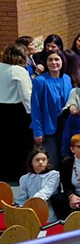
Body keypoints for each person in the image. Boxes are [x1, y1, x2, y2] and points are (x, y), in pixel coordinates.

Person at [30, 49, 72, 166]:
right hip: (47, 127)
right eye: (50, 60)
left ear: (62, 61)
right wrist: (38, 132)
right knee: (52, 161)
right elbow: (36, 108)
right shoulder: (40, 81)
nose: (53, 62)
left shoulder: (67, 79)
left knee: (66, 159)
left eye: (57, 59)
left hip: (64, 126)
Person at [0, 43, 33, 180]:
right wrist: (31, 113)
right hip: (16, 112)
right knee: (19, 145)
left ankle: (4, 173)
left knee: (4, 143)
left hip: (1, 109)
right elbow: (26, 95)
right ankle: (18, 174)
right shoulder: (18, 71)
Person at [15, 146, 60, 222]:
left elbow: (46, 192)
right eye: (37, 160)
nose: (41, 162)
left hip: (48, 212)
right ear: (31, 162)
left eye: (43, 159)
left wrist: (32, 203)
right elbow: (22, 198)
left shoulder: (54, 175)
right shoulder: (25, 178)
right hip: (29, 211)